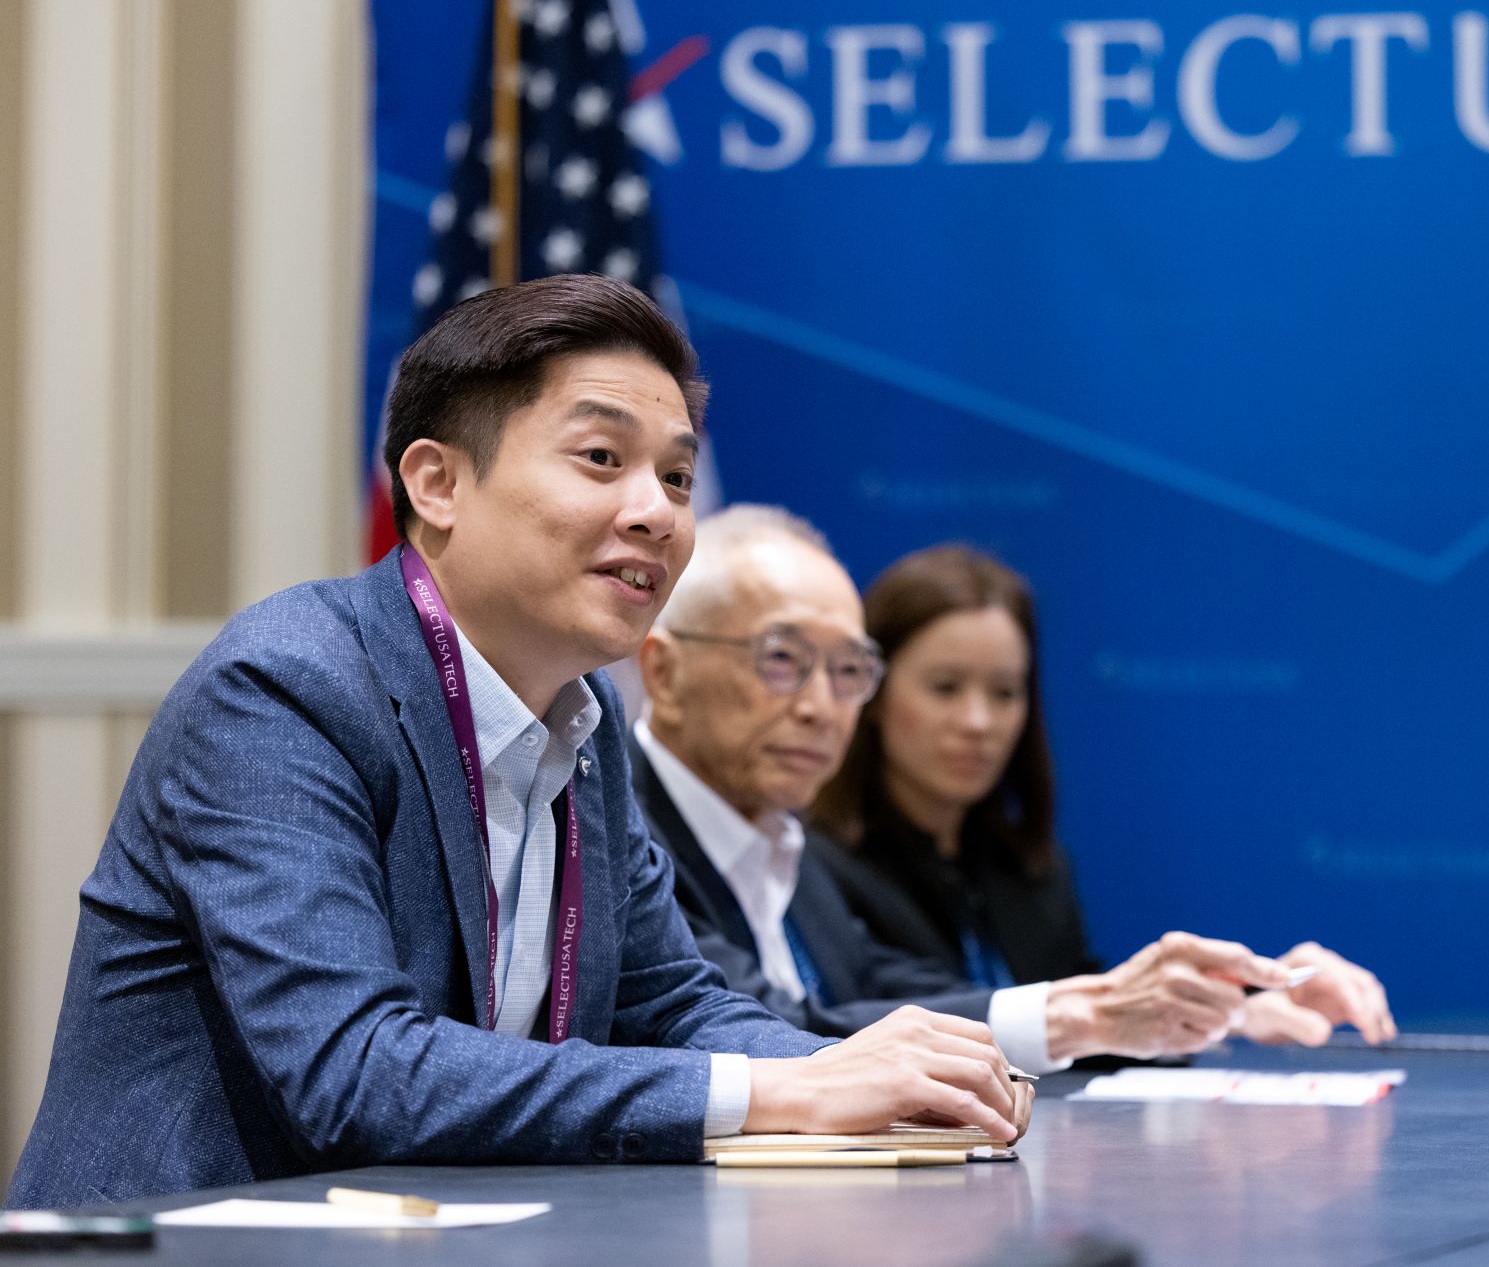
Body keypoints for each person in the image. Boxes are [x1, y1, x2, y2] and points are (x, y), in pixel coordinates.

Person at [5, 276, 1024, 1211]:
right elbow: (354, 1070)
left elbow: (667, 1002)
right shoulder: (284, 689)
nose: (656, 513)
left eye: (675, 477)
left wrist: (892, 1080)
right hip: (183, 1240)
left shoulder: (586, 719)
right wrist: (784, 1088)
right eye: (601, 458)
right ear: (436, 483)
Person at [631, 505, 1333, 1074]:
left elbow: (891, 994)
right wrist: (1087, 1014)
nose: (822, 706)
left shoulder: (778, 842)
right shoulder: (616, 830)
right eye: (782, 661)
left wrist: (1209, 1001)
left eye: (848, 671)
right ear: (664, 675)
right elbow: (764, 1031)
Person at [813, 544, 1398, 1048]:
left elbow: (1109, 1019)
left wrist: (1248, 996)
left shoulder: (1030, 867)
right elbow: (873, 1021)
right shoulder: (811, 867)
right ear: (872, 693)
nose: (978, 721)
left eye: (1005, 692)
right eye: (945, 688)